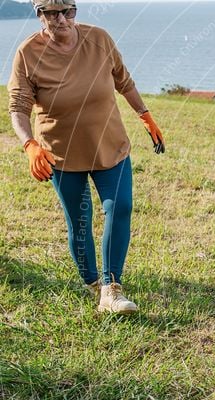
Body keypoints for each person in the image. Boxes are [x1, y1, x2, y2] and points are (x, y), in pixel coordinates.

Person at [8, 0, 165, 314]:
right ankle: (92, 282)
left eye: (69, 11)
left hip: (110, 146)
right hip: (62, 154)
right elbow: (18, 108)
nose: (63, 20)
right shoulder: (28, 54)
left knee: (120, 207)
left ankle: (111, 288)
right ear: (40, 15)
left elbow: (123, 80)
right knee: (79, 222)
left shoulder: (99, 39)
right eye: (53, 14)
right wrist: (30, 145)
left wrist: (145, 115)